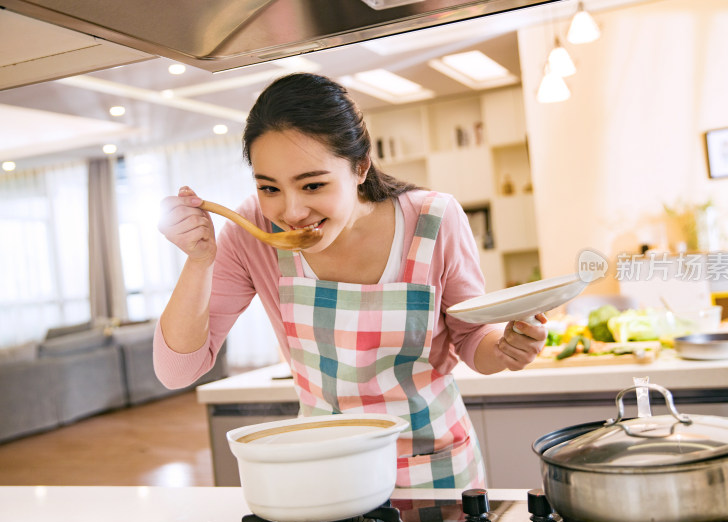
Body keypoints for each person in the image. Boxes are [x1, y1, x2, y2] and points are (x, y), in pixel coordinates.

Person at [154, 72, 546, 489]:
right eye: (269, 188)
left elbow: (471, 342)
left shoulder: (432, 221)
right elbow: (178, 371)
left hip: (434, 467)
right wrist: (199, 261)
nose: (292, 211)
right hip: (328, 472)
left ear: (361, 166)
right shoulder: (252, 232)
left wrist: (505, 348)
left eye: (313, 185)